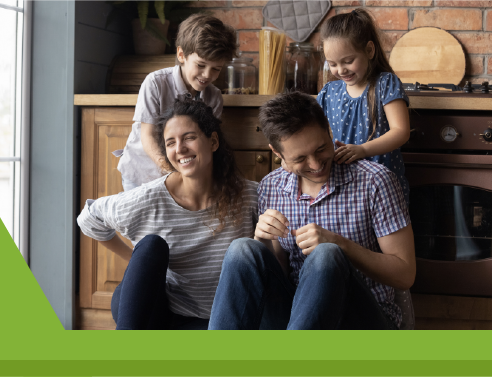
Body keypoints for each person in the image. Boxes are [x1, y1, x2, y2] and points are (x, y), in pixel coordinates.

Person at [208, 92, 415, 330]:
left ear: (328, 130)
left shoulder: (375, 181)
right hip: (295, 319)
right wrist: (264, 241)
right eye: (300, 159)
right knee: (242, 249)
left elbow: (405, 275)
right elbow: (282, 273)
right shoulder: (271, 186)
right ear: (278, 154)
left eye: (321, 149)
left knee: (327, 254)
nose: (316, 165)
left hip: (363, 320)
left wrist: (339, 244)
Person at [78, 99, 258, 330]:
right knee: (151, 245)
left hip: (219, 319)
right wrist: (133, 256)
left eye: (189, 137)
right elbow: (89, 218)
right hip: (161, 311)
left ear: (213, 141)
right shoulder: (149, 198)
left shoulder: (249, 196)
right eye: (170, 142)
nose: (180, 148)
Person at [116, 14, 237, 191]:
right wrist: (173, 170)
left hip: (181, 177)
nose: (207, 75)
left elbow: (208, 143)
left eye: (216, 69)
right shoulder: (155, 83)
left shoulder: (214, 97)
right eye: (201, 65)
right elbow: (147, 136)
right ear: (181, 55)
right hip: (141, 174)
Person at [317, 8, 411, 204]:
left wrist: (363, 150)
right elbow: (313, 133)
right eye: (332, 64)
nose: (341, 70)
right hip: (344, 188)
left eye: (348, 61)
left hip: (384, 189)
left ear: (369, 50)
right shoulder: (329, 92)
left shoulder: (385, 84)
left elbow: (401, 131)